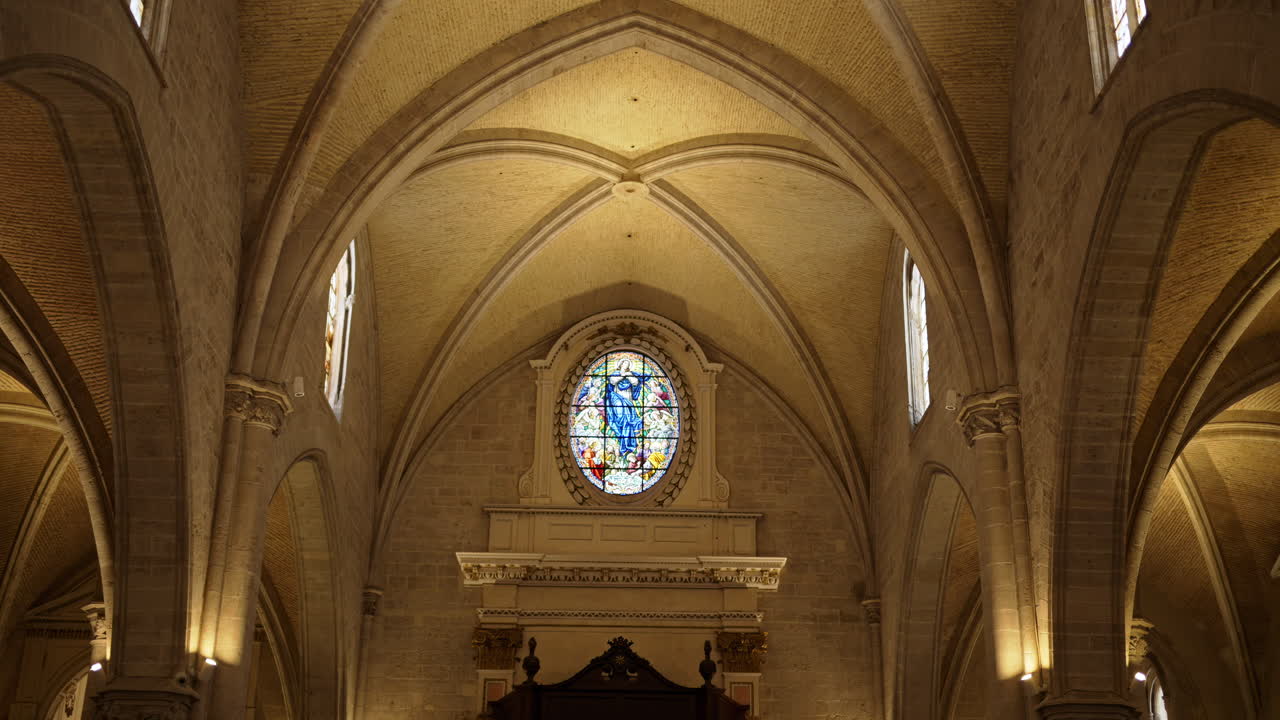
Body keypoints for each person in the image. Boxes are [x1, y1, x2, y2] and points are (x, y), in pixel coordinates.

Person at [604, 358, 647, 457]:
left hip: (628, 398)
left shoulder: (631, 374)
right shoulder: (616, 373)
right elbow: (612, 381)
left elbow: (635, 382)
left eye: (628, 363)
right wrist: (621, 375)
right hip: (616, 397)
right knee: (619, 412)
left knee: (627, 420)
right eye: (624, 363)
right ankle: (621, 435)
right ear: (620, 364)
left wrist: (628, 375)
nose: (626, 365)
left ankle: (627, 443)